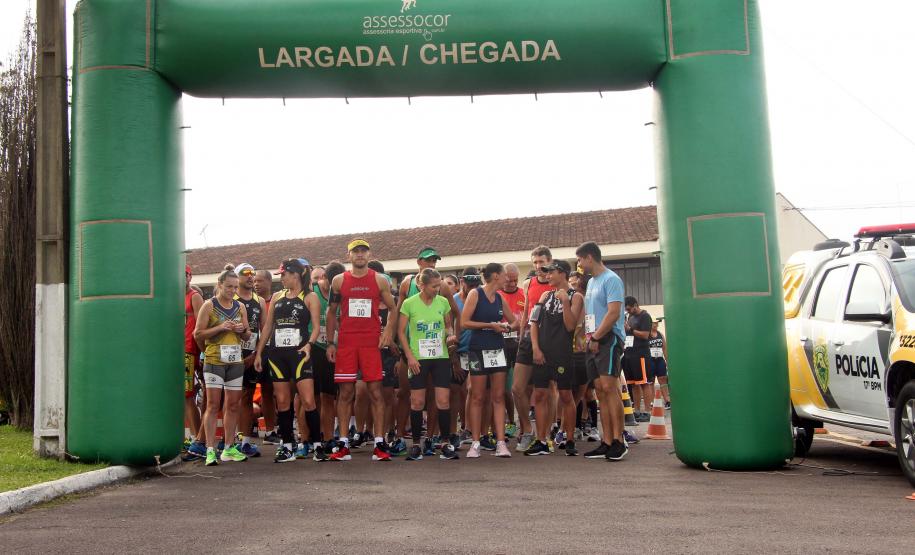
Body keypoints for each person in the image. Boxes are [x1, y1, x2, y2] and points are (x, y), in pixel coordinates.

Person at [325, 239, 399, 462]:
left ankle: (379, 443)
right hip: (347, 343)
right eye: (355, 251)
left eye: (363, 251)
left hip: (370, 344)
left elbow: (394, 308)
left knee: (376, 392)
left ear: (369, 255)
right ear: (349, 256)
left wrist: (387, 333)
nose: (359, 255)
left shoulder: (379, 280)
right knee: (346, 393)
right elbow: (331, 312)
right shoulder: (338, 281)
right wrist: (330, 342)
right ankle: (344, 443)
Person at [254, 258, 322, 463]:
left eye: (283, 275)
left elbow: (317, 327)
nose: (281, 279)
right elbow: (267, 327)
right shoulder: (277, 296)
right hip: (277, 354)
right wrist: (259, 353)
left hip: (300, 353)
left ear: (295, 275)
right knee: (282, 401)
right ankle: (287, 445)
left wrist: (309, 344)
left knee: (308, 400)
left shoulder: (310, 297)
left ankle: (317, 444)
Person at [398, 268, 460, 460]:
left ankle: (445, 442)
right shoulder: (409, 303)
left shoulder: (442, 302)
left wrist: (450, 335)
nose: (437, 289)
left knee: (443, 400)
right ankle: (416, 444)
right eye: (434, 286)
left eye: (439, 285)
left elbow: (448, 324)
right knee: (417, 401)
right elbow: (401, 332)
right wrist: (410, 357)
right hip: (418, 358)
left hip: (440, 357)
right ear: (422, 286)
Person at [193, 265, 252, 466]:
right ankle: (210, 449)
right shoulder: (209, 305)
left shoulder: (240, 306)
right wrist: (220, 327)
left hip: (235, 360)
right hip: (214, 360)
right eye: (229, 287)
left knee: (233, 405)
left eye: (235, 287)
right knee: (213, 404)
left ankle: (228, 447)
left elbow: (248, 334)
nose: (233, 291)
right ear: (219, 285)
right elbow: (198, 334)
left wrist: (241, 330)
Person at [575, 242, 628, 461]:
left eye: (579, 259)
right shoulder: (592, 283)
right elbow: (591, 314)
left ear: (589, 257)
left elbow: (614, 312)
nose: (578, 264)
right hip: (593, 340)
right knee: (599, 389)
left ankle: (618, 441)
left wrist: (597, 336)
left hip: (608, 338)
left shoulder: (611, 279)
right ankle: (606, 441)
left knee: (609, 387)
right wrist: (586, 337)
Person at [461, 263, 518, 458]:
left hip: (497, 349)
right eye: (504, 276)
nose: (507, 279)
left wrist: (506, 328)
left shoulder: (500, 298)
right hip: (477, 348)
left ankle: (501, 442)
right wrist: (489, 325)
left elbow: (515, 322)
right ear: (495, 276)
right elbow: (464, 322)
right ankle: (475, 442)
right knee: (477, 396)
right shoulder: (475, 294)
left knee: (499, 396)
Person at [527, 259, 583, 456]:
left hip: (563, 353)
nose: (547, 276)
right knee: (540, 394)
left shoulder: (575, 297)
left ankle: (569, 439)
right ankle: (541, 440)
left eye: (551, 272)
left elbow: (570, 326)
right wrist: (535, 348)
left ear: (562, 273)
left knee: (566, 395)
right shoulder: (544, 295)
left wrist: (565, 302)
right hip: (543, 352)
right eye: (546, 273)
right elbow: (534, 322)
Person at [511, 246, 555, 452]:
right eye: (535, 262)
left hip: (549, 341)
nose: (538, 266)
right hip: (528, 339)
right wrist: (521, 337)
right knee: (517, 389)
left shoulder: (557, 283)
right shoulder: (529, 283)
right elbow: (526, 310)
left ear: (550, 261)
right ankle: (527, 430)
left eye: (542, 262)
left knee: (544, 392)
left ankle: (544, 435)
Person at [234, 262, 267, 458]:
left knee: (246, 397)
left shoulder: (259, 301)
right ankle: (227, 441)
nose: (250, 276)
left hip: (251, 354)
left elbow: (263, 330)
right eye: (245, 273)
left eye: (252, 273)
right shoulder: (232, 298)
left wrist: (257, 354)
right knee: (228, 399)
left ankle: (245, 442)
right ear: (236, 277)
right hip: (231, 356)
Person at [497, 263, 525, 439]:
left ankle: (524, 426)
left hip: (520, 343)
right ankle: (510, 422)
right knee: (505, 387)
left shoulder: (524, 293)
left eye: (515, 280)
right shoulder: (497, 295)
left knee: (521, 388)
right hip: (501, 343)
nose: (513, 283)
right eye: (509, 280)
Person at [183, 265, 206, 459]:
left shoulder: (194, 296)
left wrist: (202, 353)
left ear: (190, 277)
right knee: (182, 395)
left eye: (185, 275)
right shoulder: (172, 296)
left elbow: (201, 327)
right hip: (175, 351)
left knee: (188, 394)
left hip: (191, 351)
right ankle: (191, 437)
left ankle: (197, 440)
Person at [253, 269, 278, 444]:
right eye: (254, 281)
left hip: (275, 349)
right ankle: (263, 431)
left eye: (260, 281)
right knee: (257, 392)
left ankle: (274, 430)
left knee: (275, 392)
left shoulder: (278, 299)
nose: (256, 284)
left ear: (269, 282)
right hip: (256, 350)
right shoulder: (253, 302)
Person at [623, 296, 653, 421]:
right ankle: (637, 411)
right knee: (634, 384)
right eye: (627, 310)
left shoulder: (645, 316)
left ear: (635, 305)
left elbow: (645, 335)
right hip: (629, 353)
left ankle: (647, 411)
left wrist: (630, 330)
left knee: (643, 383)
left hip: (640, 353)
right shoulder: (630, 317)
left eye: (630, 309)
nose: (628, 311)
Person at [648, 319, 670, 409]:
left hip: (660, 360)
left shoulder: (660, 334)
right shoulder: (647, 335)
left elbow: (664, 347)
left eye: (657, 323)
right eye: (654, 323)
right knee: (651, 381)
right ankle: (653, 401)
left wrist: (667, 360)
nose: (656, 325)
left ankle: (667, 400)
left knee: (662, 379)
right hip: (650, 360)